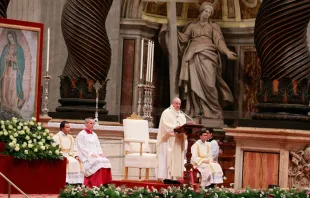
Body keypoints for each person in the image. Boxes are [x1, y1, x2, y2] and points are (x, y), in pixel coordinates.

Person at [156, 97, 188, 181]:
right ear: (172, 103)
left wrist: (181, 129)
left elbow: (184, 126)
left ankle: (176, 177)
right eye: (177, 103)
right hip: (168, 140)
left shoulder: (181, 115)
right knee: (167, 159)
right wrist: (175, 128)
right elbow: (165, 125)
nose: (178, 105)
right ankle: (166, 177)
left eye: (179, 104)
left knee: (177, 159)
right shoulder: (166, 113)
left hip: (178, 140)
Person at [75, 118, 112, 187]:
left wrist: (100, 153)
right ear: (86, 124)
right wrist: (91, 154)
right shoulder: (81, 134)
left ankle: (105, 184)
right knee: (99, 161)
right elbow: (81, 148)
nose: (92, 125)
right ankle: (96, 184)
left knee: (105, 160)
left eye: (93, 123)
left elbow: (98, 145)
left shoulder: (94, 134)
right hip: (86, 156)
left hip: (96, 155)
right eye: (90, 123)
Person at [0, 30, 25, 114]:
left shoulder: (19, 48)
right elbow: (2, 59)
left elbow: (21, 60)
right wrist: (5, 58)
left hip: (14, 71)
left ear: (14, 37)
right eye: (8, 37)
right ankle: (5, 104)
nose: (10, 39)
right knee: (5, 85)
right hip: (6, 70)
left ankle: (13, 105)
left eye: (11, 37)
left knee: (13, 86)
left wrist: (14, 58)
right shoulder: (6, 47)